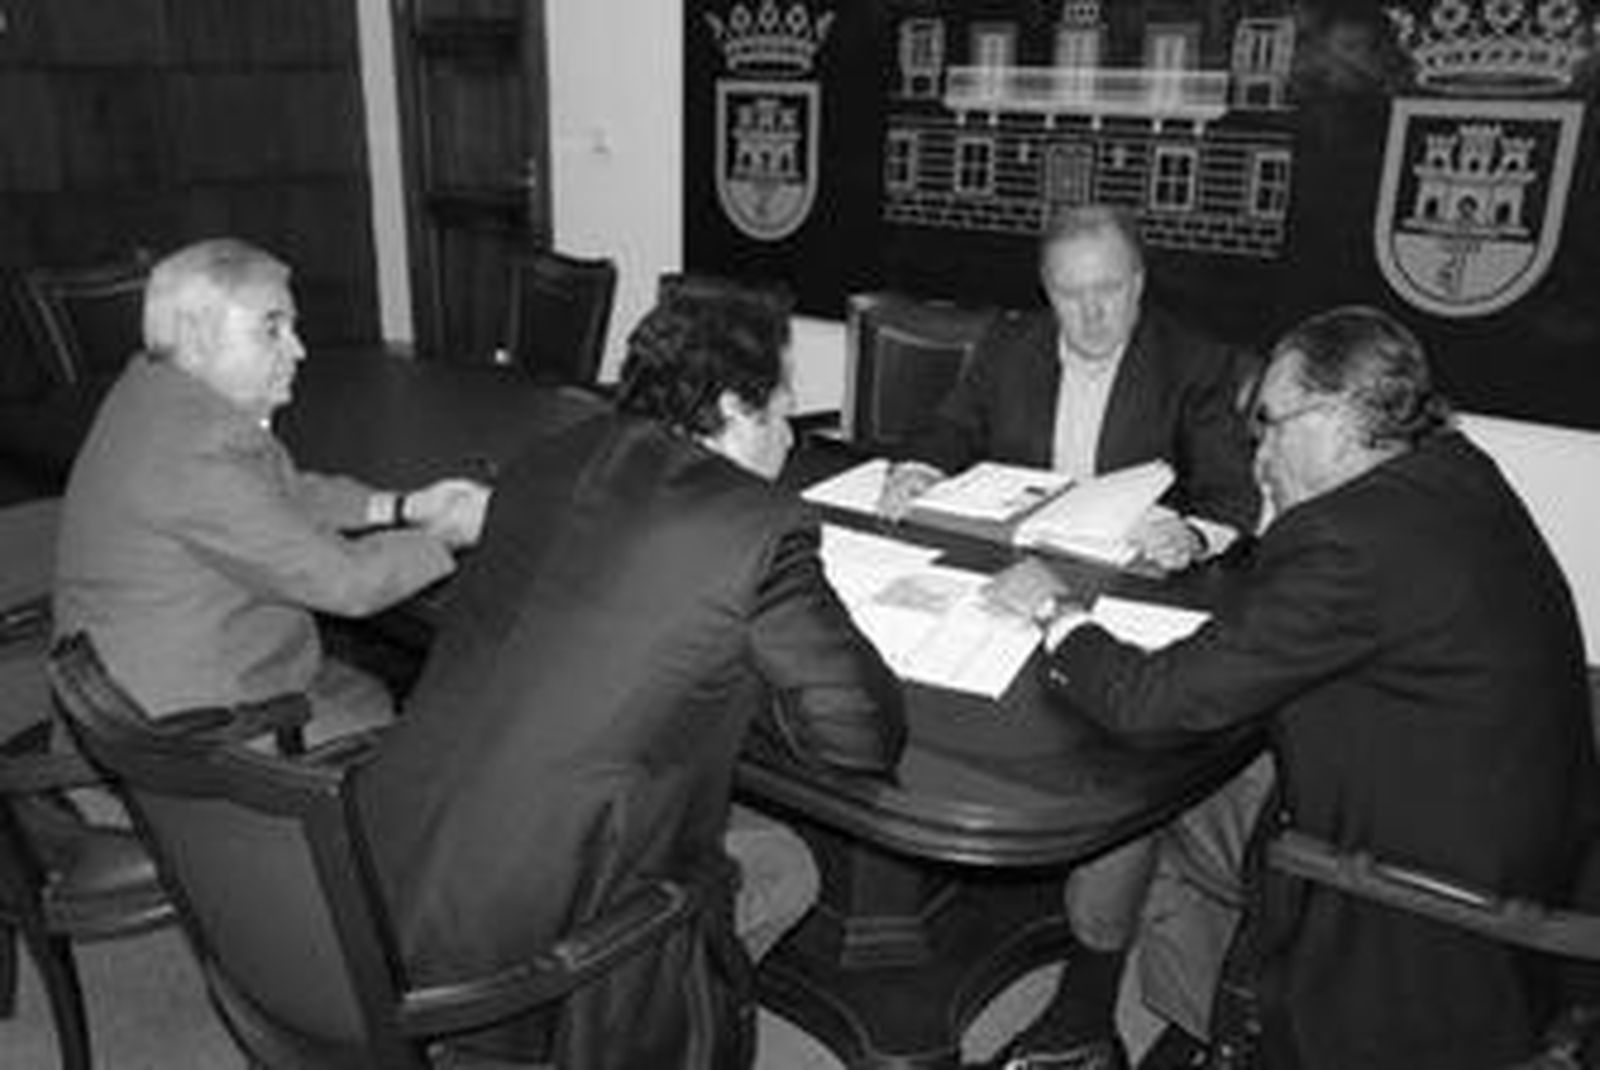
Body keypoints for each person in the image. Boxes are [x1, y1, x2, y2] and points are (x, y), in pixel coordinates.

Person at [1005, 306, 1596, 1068]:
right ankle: (1172, 1027)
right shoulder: (1448, 470)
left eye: (1272, 426)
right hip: (1523, 836)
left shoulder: (1349, 542)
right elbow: (1312, 615)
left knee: (1137, 796)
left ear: (1338, 417)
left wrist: (1057, 613)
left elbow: (1149, 704)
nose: (1259, 459)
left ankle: (1117, 1025)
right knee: (1186, 765)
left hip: (1415, 891)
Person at [356, 280, 907, 1065]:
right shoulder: (758, 526)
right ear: (730, 408)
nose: (789, 438)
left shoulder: (546, 461)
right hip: (523, 952)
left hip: (368, 873)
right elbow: (860, 736)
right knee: (785, 864)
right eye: (781, 411)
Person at [54, 238, 488, 740]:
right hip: (186, 739)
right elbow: (348, 583)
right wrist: (446, 535)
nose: (297, 349)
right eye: (271, 329)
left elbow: (276, 494)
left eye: (292, 327)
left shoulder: (155, 391)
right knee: (435, 738)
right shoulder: (197, 451)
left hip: (149, 687)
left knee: (373, 695)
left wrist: (403, 507)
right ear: (196, 338)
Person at [881, 204, 1260, 573]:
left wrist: (1191, 536)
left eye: (1108, 290)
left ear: (1138, 283)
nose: (1091, 313)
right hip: (1016, 563)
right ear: (1048, 291)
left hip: (1130, 574)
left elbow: (1231, 497)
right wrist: (919, 471)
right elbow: (953, 428)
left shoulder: (1196, 364)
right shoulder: (1008, 345)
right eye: (1070, 294)